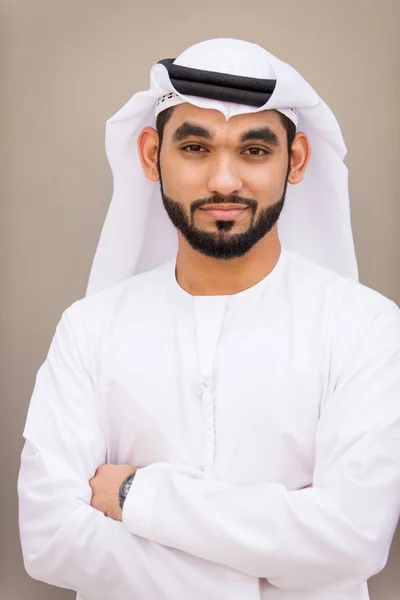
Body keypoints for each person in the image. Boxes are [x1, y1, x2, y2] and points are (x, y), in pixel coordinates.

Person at [18, 38, 400, 600]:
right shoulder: (88, 330)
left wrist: (134, 498)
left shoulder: (365, 328)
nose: (224, 181)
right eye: (196, 148)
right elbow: (49, 538)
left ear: (294, 161)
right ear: (152, 156)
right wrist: (278, 562)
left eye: (254, 151)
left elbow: (353, 540)